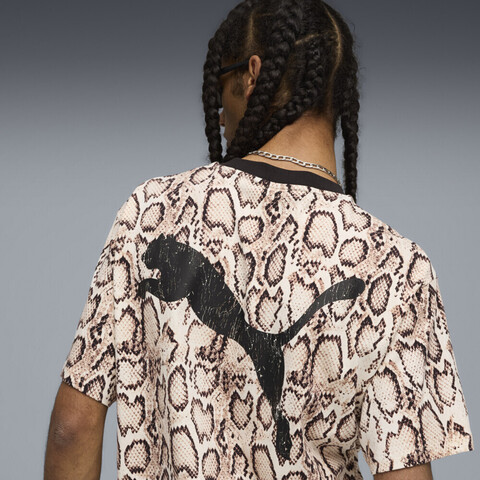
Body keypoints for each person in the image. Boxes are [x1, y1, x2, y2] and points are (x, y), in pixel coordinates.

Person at [44, 1, 474, 479]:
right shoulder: (393, 266)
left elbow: (71, 429)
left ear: (252, 74)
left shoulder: (151, 211)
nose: (217, 113)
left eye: (220, 81)